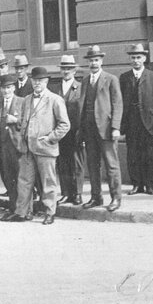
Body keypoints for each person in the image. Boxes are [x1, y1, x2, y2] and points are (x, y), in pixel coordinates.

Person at [5, 66, 69, 225]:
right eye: (34, 80)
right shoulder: (26, 99)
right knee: (24, 181)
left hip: (46, 148)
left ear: (46, 81)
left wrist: (50, 138)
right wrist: (22, 137)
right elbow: (24, 121)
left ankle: (49, 212)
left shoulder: (54, 99)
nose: (37, 83)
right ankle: (21, 212)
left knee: (48, 182)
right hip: (27, 148)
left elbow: (64, 124)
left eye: (40, 80)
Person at [79, 45, 124, 211]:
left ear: (101, 61)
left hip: (106, 129)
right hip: (89, 130)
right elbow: (83, 106)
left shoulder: (111, 79)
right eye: (91, 61)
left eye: (96, 60)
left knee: (111, 165)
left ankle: (116, 198)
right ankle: (96, 197)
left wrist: (115, 127)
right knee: (92, 165)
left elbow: (117, 104)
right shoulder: (85, 81)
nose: (93, 63)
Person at [119, 42, 153, 195]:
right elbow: (120, 103)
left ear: (144, 58)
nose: (136, 60)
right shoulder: (124, 78)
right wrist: (121, 124)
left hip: (148, 122)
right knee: (132, 154)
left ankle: (149, 185)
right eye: (133, 57)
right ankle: (136, 184)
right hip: (131, 122)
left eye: (139, 57)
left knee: (148, 155)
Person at [52, 53, 86, 204]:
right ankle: (66, 193)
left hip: (75, 132)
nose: (66, 71)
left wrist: (82, 133)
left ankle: (78, 193)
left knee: (77, 162)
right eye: (64, 68)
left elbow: (84, 111)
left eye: (69, 68)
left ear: (74, 70)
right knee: (63, 163)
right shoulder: (54, 89)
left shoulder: (80, 88)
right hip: (60, 132)